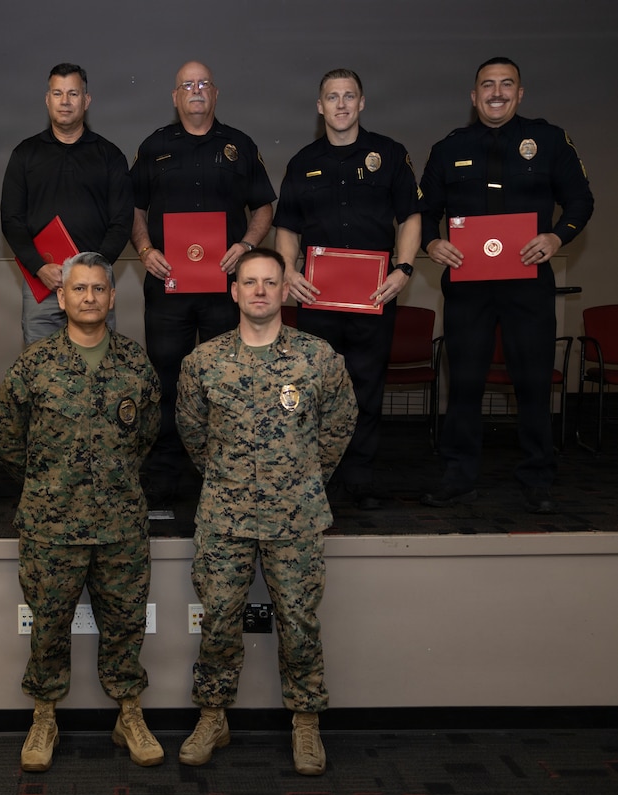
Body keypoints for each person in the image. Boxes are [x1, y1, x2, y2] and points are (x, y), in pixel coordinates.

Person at [175, 248, 356, 775]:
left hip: (295, 516)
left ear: (285, 290)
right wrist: (227, 478)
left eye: (270, 282)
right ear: (234, 291)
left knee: (298, 622)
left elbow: (339, 424)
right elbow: (192, 432)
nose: (259, 291)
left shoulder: (317, 358)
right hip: (224, 516)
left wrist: (303, 478)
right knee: (218, 620)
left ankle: (306, 721)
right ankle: (213, 716)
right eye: (249, 282)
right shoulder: (203, 361)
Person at [0, 252, 163, 772]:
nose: (89, 297)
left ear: (113, 297)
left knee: (126, 624)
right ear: (60, 298)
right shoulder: (34, 364)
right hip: (51, 524)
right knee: (48, 626)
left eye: (98, 289)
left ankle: (129, 713)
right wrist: (44, 481)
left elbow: (147, 432)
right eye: (79, 289)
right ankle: (44, 717)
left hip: (120, 523)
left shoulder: (135, 364)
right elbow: (3, 433)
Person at [419, 57, 593, 514]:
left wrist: (557, 237)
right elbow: (424, 212)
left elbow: (580, 199)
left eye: (506, 84)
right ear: (473, 96)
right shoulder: (447, 148)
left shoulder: (549, 140)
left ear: (520, 93)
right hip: (468, 287)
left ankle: (538, 477)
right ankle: (459, 477)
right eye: (487, 85)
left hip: (528, 284)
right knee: (465, 383)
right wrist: (432, 243)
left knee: (533, 382)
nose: (497, 93)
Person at [131, 60, 276, 507]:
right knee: (167, 381)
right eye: (186, 85)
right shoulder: (153, 146)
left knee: (226, 381)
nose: (195, 90)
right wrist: (145, 250)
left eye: (203, 84)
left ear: (215, 93)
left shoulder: (240, 145)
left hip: (223, 289)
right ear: (175, 97)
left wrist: (247, 245)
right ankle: (165, 471)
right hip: (167, 287)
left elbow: (264, 206)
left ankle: (224, 471)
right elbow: (134, 209)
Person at [274, 68, 421, 510]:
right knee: (314, 387)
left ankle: (359, 476)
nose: (341, 104)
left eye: (349, 96)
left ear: (362, 103)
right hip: (316, 297)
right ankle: (316, 476)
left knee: (367, 385)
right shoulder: (302, 161)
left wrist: (404, 269)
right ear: (320, 107)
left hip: (374, 295)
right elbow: (287, 227)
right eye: (333, 97)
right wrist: (288, 270)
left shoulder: (390, 154)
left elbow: (410, 217)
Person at [1, 63, 133, 345]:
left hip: (94, 285)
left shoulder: (110, 156)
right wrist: (39, 267)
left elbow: (122, 221)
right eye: (57, 93)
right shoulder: (25, 154)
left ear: (86, 100)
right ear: (47, 99)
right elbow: (11, 220)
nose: (65, 101)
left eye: (73, 94)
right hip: (42, 283)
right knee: (41, 366)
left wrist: (91, 271)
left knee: (98, 364)